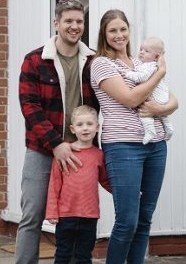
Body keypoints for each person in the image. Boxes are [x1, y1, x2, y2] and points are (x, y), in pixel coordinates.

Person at [15, 0, 99, 264]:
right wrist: (56, 143)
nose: (74, 26)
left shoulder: (93, 61)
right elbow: (29, 107)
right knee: (32, 216)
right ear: (56, 23)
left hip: (81, 153)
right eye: (68, 21)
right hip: (42, 150)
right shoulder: (35, 60)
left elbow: (109, 99)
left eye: (79, 21)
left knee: (80, 216)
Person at [90, 9, 178, 264]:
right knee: (127, 220)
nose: (119, 35)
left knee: (144, 218)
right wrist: (160, 73)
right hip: (123, 146)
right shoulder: (101, 64)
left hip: (156, 145)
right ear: (104, 35)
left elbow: (172, 100)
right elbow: (130, 99)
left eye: (123, 29)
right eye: (113, 30)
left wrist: (159, 108)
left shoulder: (140, 63)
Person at [45, 105, 110, 264]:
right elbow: (55, 184)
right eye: (80, 125)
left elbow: (105, 180)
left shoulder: (99, 155)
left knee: (84, 256)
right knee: (63, 254)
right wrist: (52, 212)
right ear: (73, 129)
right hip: (66, 215)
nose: (85, 128)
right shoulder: (64, 154)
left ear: (97, 127)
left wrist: (127, 194)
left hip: (90, 215)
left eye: (89, 124)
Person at [123, 36, 174, 144]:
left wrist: (128, 74)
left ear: (156, 56)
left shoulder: (149, 66)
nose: (142, 52)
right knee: (163, 115)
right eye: (141, 49)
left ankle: (150, 131)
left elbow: (142, 77)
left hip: (155, 98)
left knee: (144, 113)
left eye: (147, 51)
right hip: (162, 97)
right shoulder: (152, 66)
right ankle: (169, 128)